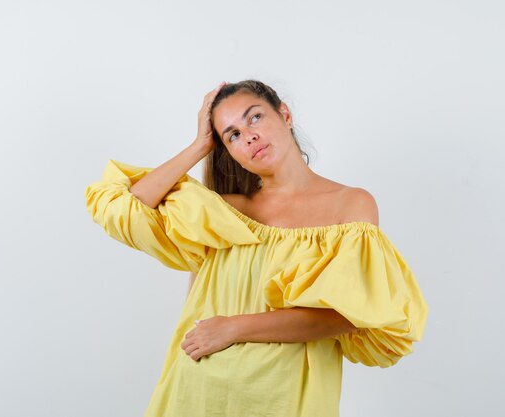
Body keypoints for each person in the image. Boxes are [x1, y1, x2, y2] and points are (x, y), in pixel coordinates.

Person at [84, 79, 429, 417]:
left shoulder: (350, 205)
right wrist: (199, 145)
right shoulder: (220, 212)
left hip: (287, 400)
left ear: (285, 115)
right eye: (231, 135)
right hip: (199, 395)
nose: (248, 135)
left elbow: (343, 317)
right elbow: (122, 208)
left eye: (254, 117)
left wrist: (233, 328)